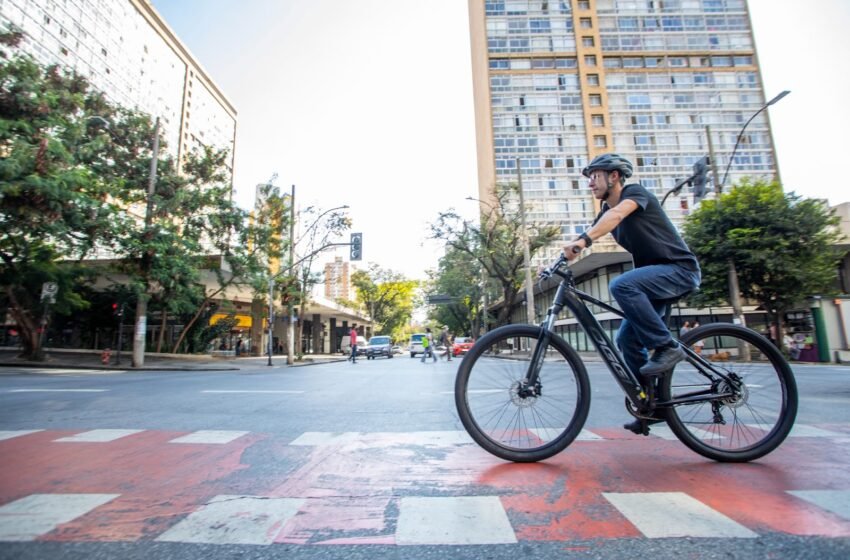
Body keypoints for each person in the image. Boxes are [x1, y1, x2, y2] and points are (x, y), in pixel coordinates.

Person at [563, 153, 701, 434]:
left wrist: (582, 241)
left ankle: (667, 347)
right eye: (589, 177)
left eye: (595, 175)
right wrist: (563, 258)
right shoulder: (604, 212)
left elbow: (615, 216)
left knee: (621, 285)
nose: (590, 182)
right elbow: (597, 228)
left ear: (614, 176)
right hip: (656, 283)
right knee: (626, 340)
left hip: (678, 270)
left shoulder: (635, 194)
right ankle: (654, 406)